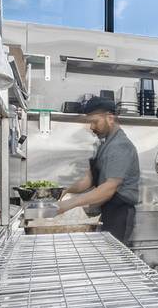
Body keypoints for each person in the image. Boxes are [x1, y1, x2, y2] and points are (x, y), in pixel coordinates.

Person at [57, 96, 140, 244]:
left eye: (95, 121)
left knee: (115, 255)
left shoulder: (120, 146)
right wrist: (64, 190)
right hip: (108, 210)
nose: (92, 127)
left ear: (110, 118)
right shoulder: (104, 144)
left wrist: (69, 204)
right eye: (90, 122)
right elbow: (89, 180)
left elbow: (108, 189)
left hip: (120, 214)